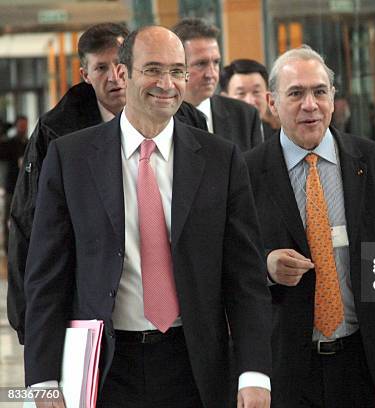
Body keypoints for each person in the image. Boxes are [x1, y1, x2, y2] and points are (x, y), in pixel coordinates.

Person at [23, 26, 272, 408]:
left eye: (177, 71)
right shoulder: (70, 158)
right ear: (123, 75)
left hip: (194, 365)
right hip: (104, 366)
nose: (167, 83)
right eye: (153, 69)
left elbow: (245, 278)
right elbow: (46, 278)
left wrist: (254, 374)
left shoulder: (222, 160)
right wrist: (41, 380)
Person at [6, 23, 207, 345]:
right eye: (101, 68)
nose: (113, 78)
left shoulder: (188, 122)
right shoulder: (58, 134)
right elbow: (29, 226)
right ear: (85, 73)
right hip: (93, 312)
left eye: (119, 66)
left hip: (186, 324)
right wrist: (28, 321)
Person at [244, 45, 375, 408]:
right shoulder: (245, 173)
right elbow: (231, 265)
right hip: (287, 368)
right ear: (272, 102)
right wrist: (267, 267)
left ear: (333, 98)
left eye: (320, 91)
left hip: (366, 364)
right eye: (296, 93)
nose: (310, 104)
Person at [172, 19, 263, 151]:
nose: (211, 74)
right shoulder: (161, 118)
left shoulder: (244, 116)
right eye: (201, 64)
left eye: (216, 62)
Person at [220, 58, 281, 140]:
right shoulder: (219, 139)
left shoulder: (279, 138)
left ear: (269, 97)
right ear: (225, 99)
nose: (250, 101)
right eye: (241, 93)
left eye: (256, 92)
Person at [0, 115, 28, 251]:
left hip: (24, 187)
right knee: (7, 218)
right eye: (21, 125)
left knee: (23, 218)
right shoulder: (9, 144)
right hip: (11, 186)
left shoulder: (29, 143)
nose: (23, 128)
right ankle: (7, 247)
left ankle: (20, 247)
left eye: (25, 125)